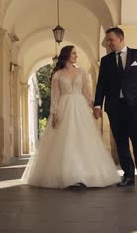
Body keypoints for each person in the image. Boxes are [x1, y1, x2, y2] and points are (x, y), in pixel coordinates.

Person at [21, 45, 120, 188]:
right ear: (67, 55)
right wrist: (54, 114)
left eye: (76, 54)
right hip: (64, 108)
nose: (76, 56)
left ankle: (84, 174)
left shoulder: (82, 73)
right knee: (66, 140)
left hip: (80, 109)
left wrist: (95, 108)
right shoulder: (57, 75)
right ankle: (69, 175)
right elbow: (55, 96)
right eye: (74, 53)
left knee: (82, 139)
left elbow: (87, 94)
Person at [93, 27, 137, 188]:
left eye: (111, 40)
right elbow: (101, 85)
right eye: (108, 40)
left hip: (136, 105)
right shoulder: (106, 61)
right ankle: (128, 176)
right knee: (121, 141)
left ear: (121, 39)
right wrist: (97, 105)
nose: (108, 43)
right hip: (114, 107)